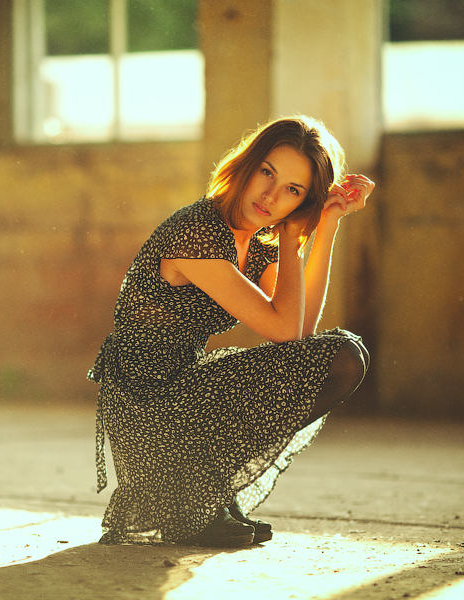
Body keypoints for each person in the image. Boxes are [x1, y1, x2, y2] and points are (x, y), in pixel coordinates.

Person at [88, 116, 373, 547]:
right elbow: (284, 331)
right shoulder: (199, 231)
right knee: (341, 355)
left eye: (293, 191)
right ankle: (190, 496)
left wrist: (324, 227)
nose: (272, 196)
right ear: (248, 164)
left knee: (344, 355)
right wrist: (295, 237)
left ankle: (202, 493)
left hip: (184, 384)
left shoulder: (257, 242)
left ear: (302, 202)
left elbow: (301, 330)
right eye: (267, 173)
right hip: (146, 398)